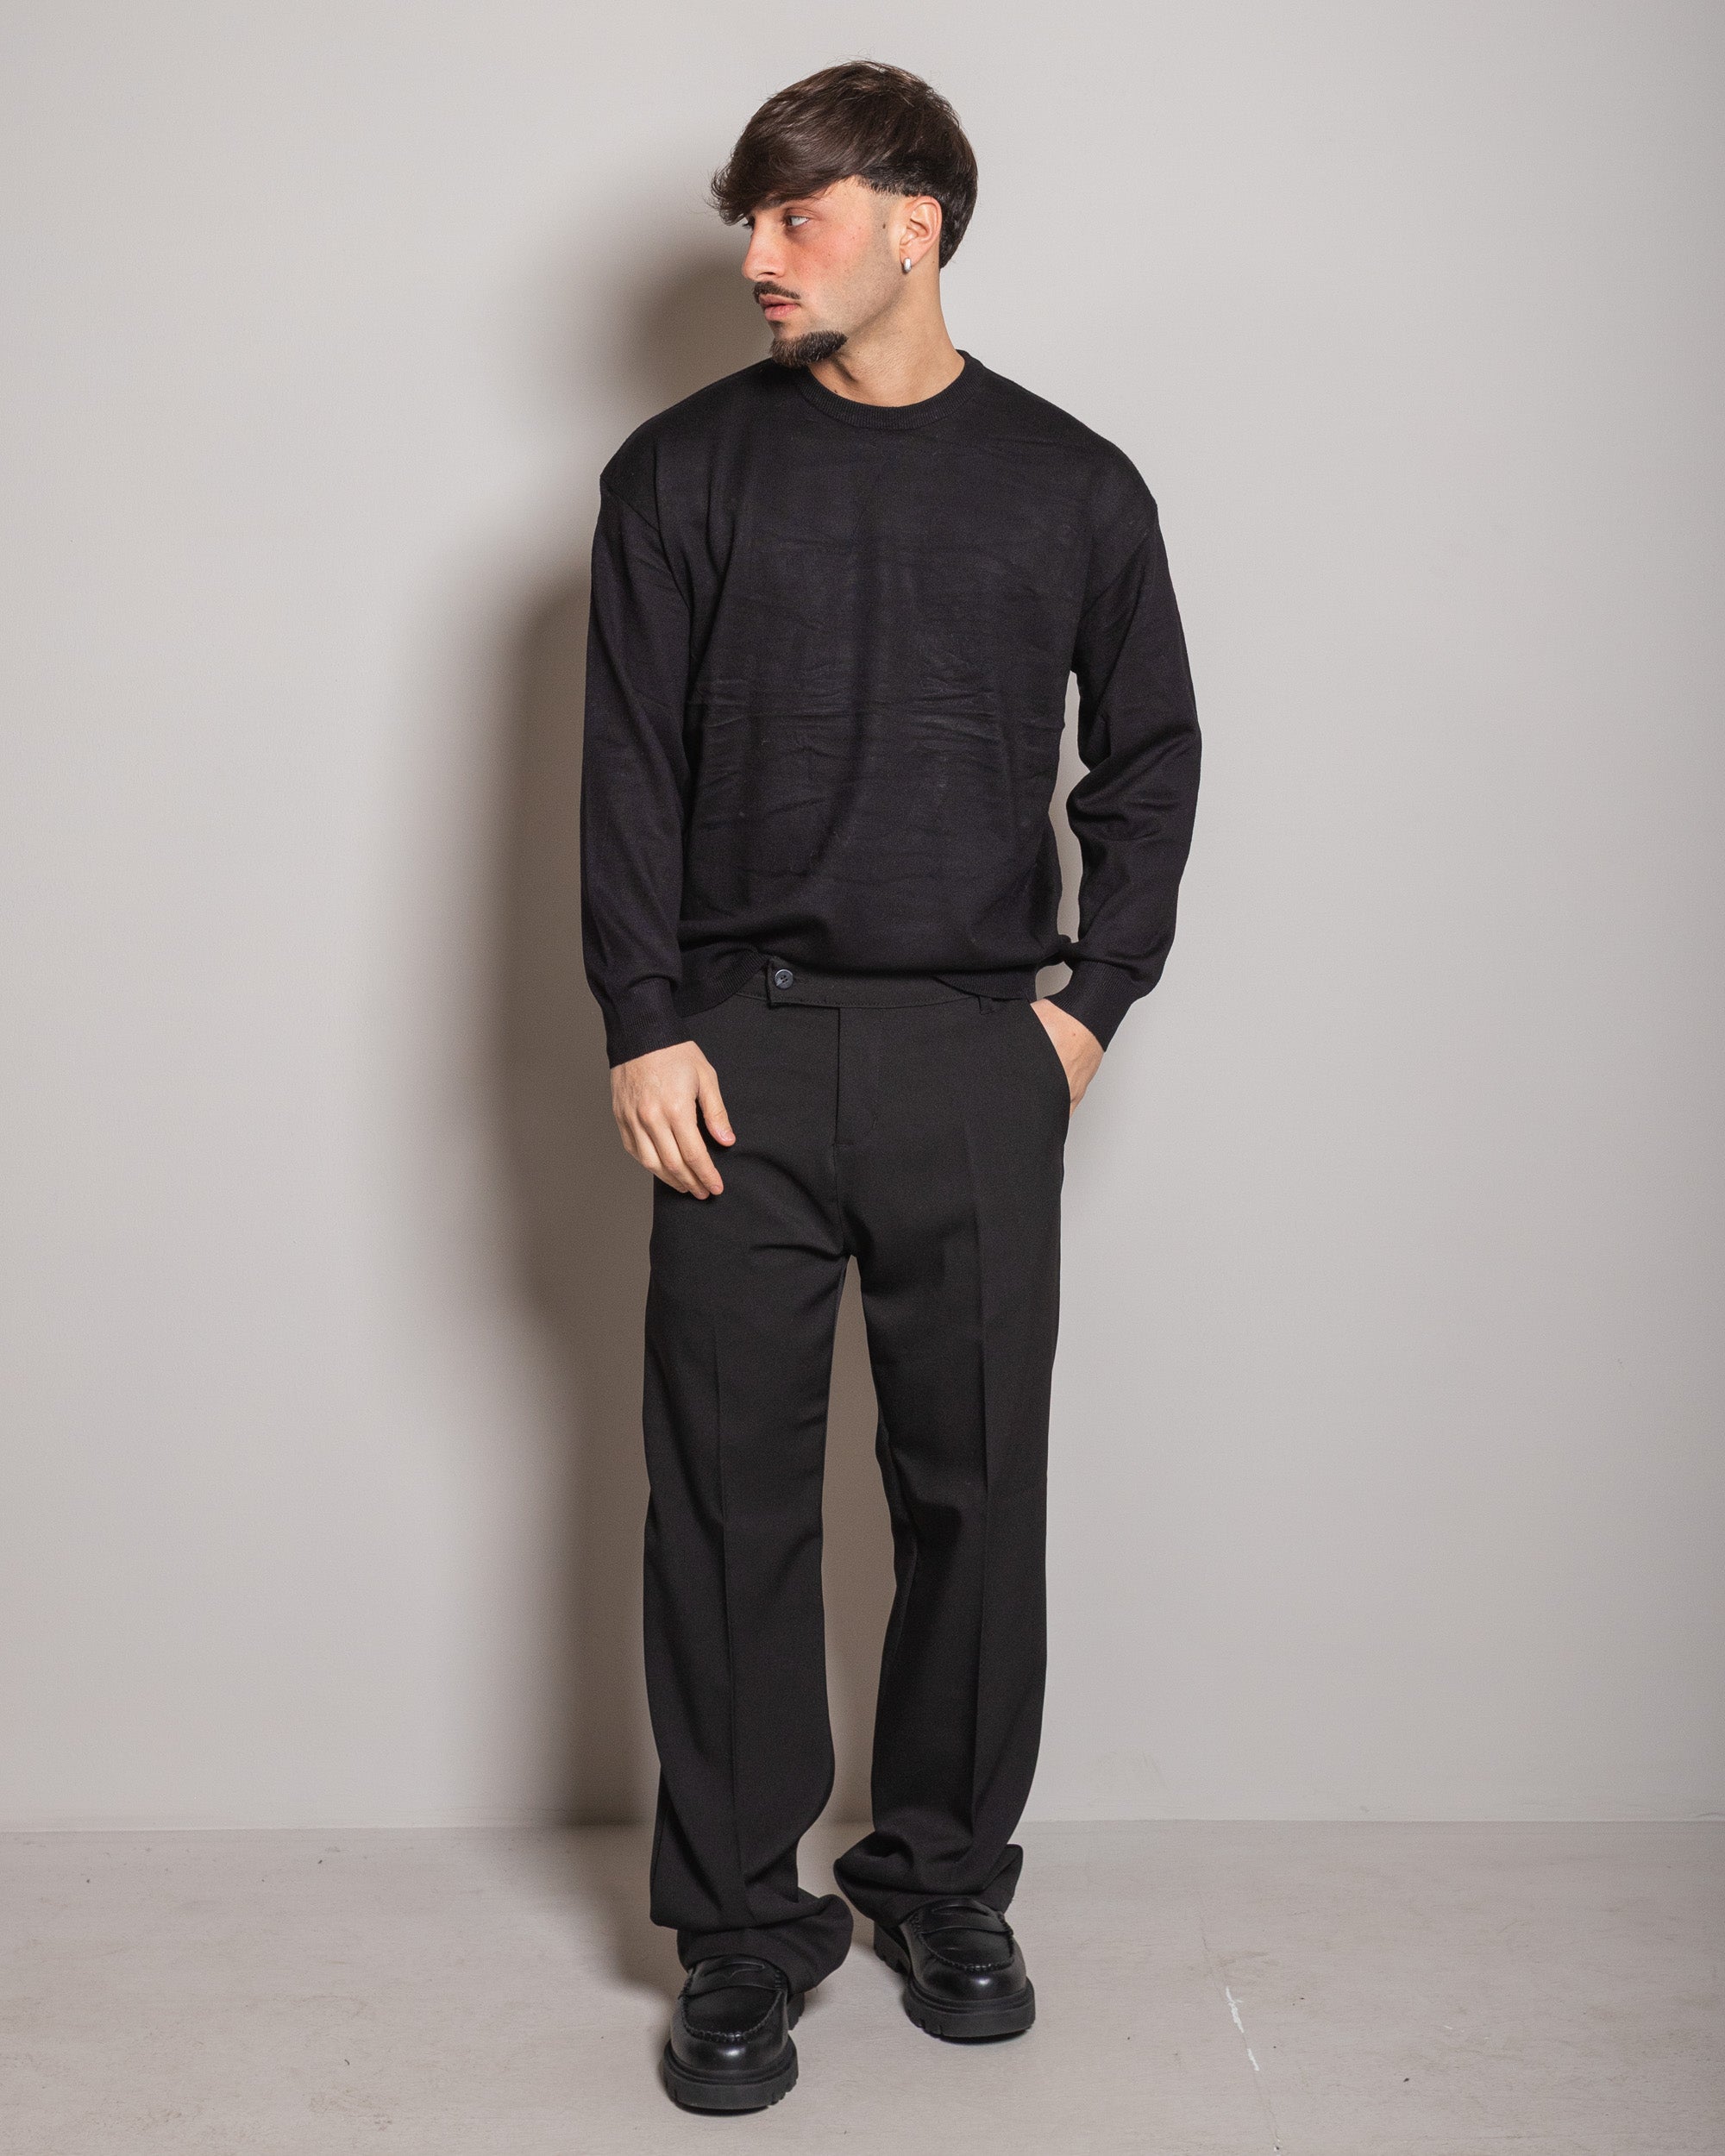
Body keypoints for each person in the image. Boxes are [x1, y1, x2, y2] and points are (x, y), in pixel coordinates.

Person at [580, 58, 1201, 2112]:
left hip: (971, 1051)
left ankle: (941, 1880)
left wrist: (1085, 1007)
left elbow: (1150, 759)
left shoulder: (1072, 483)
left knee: (975, 1494)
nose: (758, 255)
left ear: (912, 222)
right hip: (733, 1056)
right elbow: (626, 769)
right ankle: (738, 1930)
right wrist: (641, 1014)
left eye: (797, 216)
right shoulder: (677, 474)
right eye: (747, 221)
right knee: (725, 1506)